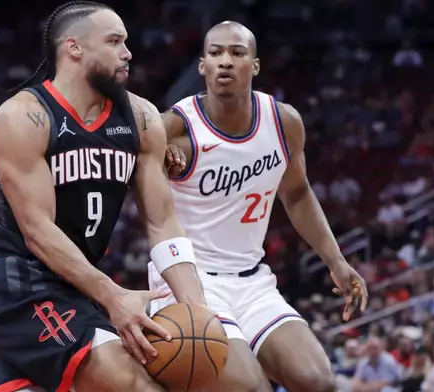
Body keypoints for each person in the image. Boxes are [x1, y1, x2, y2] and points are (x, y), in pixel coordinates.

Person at [0, 2, 208, 392]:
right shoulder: (23, 116)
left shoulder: (142, 117)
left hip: (81, 287)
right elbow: (37, 231)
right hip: (24, 288)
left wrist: (197, 308)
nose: (128, 52)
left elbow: (162, 221)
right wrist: (113, 295)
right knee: (138, 384)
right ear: (74, 48)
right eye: (115, 41)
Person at [153, 21, 369, 392]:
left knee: (319, 382)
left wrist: (336, 261)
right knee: (252, 388)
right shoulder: (172, 129)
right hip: (189, 280)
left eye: (237, 53)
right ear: (202, 65)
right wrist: (156, 162)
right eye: (216, 53)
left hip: (253, 280)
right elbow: (131, 189)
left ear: (254, 65)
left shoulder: (283, 122)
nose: (225, 61)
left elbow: (297, 193)